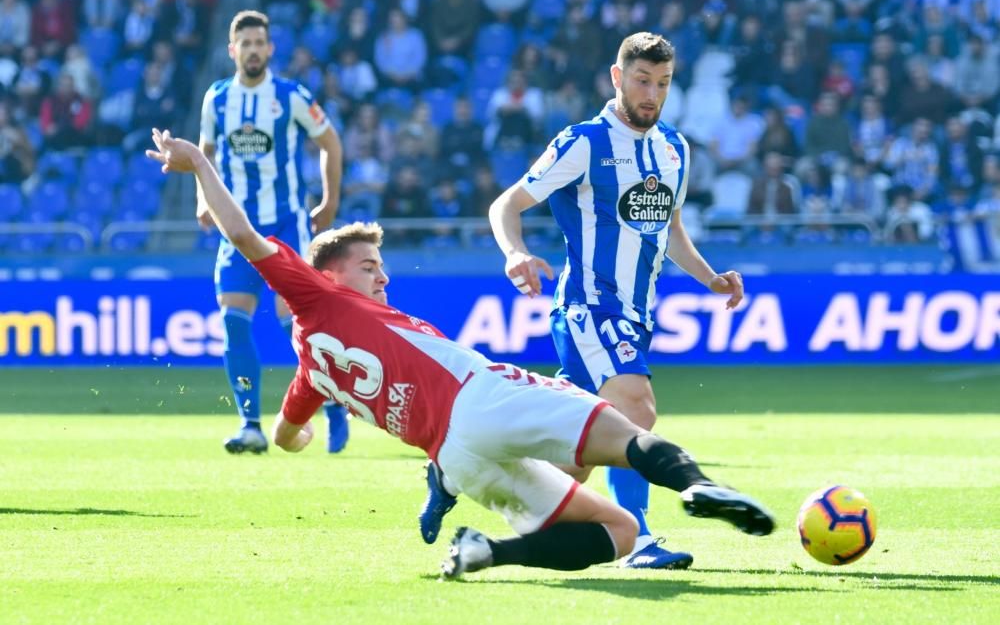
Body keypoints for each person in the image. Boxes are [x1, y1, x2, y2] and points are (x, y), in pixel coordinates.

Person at [145, 127, 776, 579]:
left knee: (618, 532)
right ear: (330, 276)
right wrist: (201, 162)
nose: (383, 279)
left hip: (460, 458)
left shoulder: (312, 370)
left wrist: (299, 440)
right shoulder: (320, 297)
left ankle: (486, 552)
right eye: (370, 268)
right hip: (482, 397)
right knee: (632, 426)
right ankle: (696, 487)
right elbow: (244, 235)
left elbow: (286, 435)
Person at [478, 32, 748, 571]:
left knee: (573, 450)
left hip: (637, 314)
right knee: (635, 409)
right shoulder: (584, 141)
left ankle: (494, 522)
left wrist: (708, 277)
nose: (653, 94)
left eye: (664, 83)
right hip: (588, 307)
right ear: (617, 77)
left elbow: (668, 227)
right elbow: (507, 203)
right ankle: (640, 539)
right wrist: (515, 253)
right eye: (643, 81)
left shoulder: (675, 148)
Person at [198, 10, 346, 455]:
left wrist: (331, 201)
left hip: (286, 223)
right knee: (232, 321)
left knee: (296, 323)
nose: (254, 50)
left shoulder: (290, 95)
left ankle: (334, 403)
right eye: (245, 43)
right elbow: (203, 152)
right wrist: (203, 201)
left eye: (260, 42)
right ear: (232, 50)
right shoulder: (217, 99)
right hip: (237, 228)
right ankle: (250, 426)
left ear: (270, 48)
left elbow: (330, 143)